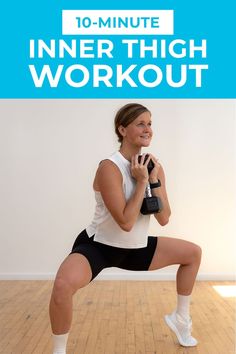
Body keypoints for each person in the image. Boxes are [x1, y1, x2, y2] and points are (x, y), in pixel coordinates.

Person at [49, 103, 202, 353]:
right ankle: (58, 351)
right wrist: (142, 181)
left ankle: (181, 319)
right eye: (140, 123)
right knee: (63, 286)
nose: (148, 129)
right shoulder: (109, 167)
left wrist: (153, 179)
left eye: (150, 123)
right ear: (122, 129)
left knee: (192, 253)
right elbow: (125, 221)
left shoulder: (154, 166)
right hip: (98, 246)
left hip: (134, 247)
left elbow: (164, 218)